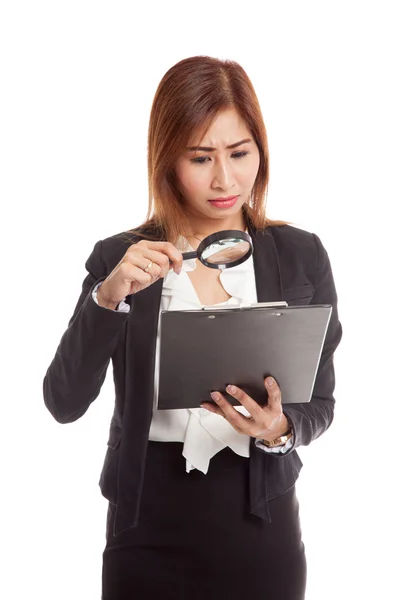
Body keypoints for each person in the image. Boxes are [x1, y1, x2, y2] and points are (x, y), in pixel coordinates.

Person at [43, 55, 342, 600]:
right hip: (145, 527)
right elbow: (63, 402)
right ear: (167, 160)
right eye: (201, 157)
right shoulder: (119, 257)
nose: (225, 179)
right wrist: (108, 299)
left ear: (261, 151)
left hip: (262, 524)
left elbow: (321, 403)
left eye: (239, 153)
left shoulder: (301, 255)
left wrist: (278, 429)